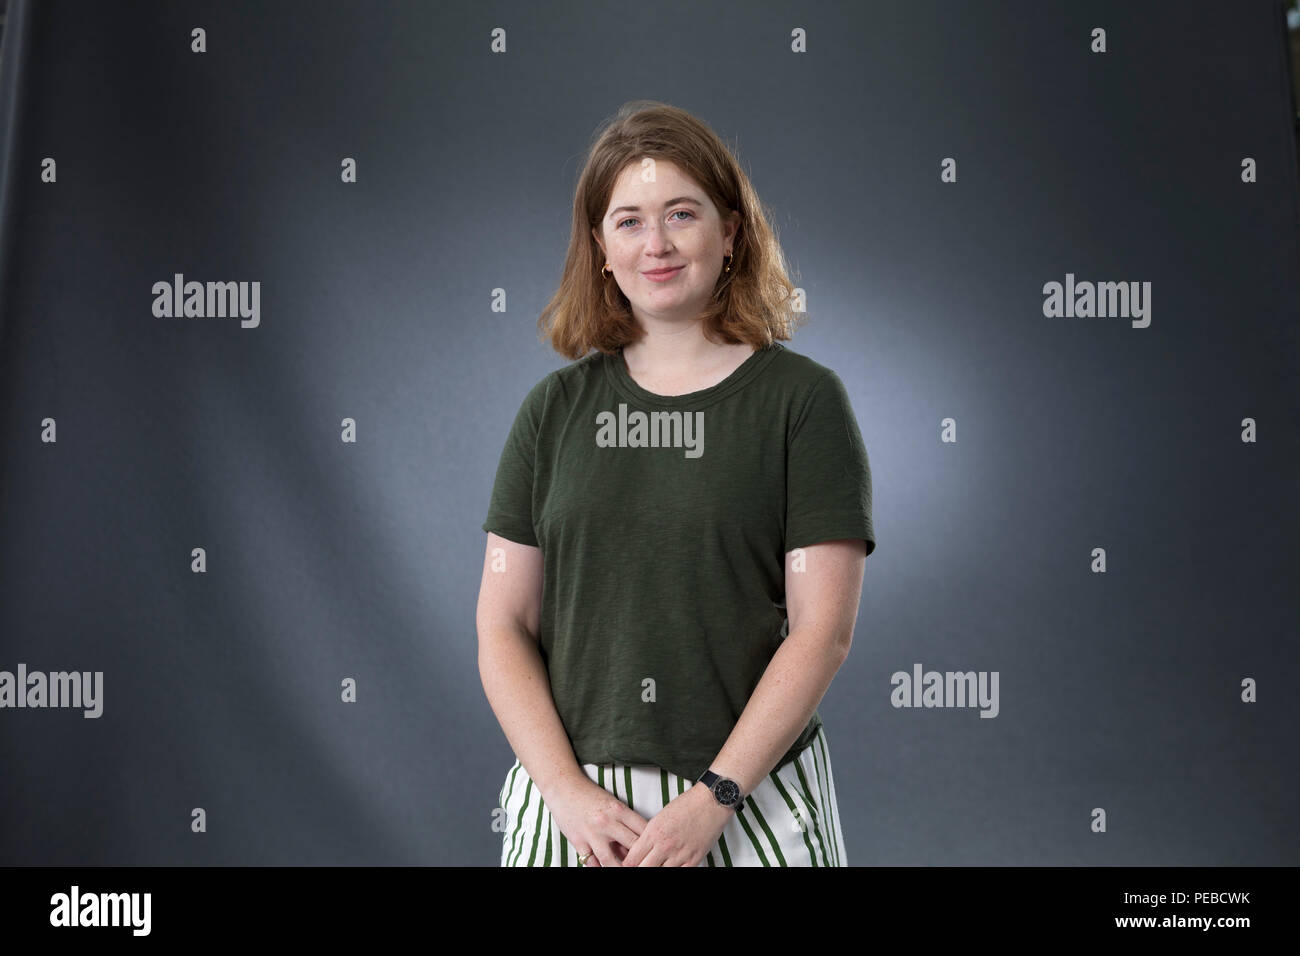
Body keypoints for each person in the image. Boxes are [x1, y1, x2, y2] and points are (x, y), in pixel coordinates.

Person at [476, 100, 875, 867]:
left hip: (750, 795)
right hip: (573, 805)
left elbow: (821, 632)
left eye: (680, 214)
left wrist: (713, 800)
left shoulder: (802, 403)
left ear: (731, 232)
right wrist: (562, 788)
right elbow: (501, 626)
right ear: (599, 246)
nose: (654, 244)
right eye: (627, 221)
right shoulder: (553, 412)